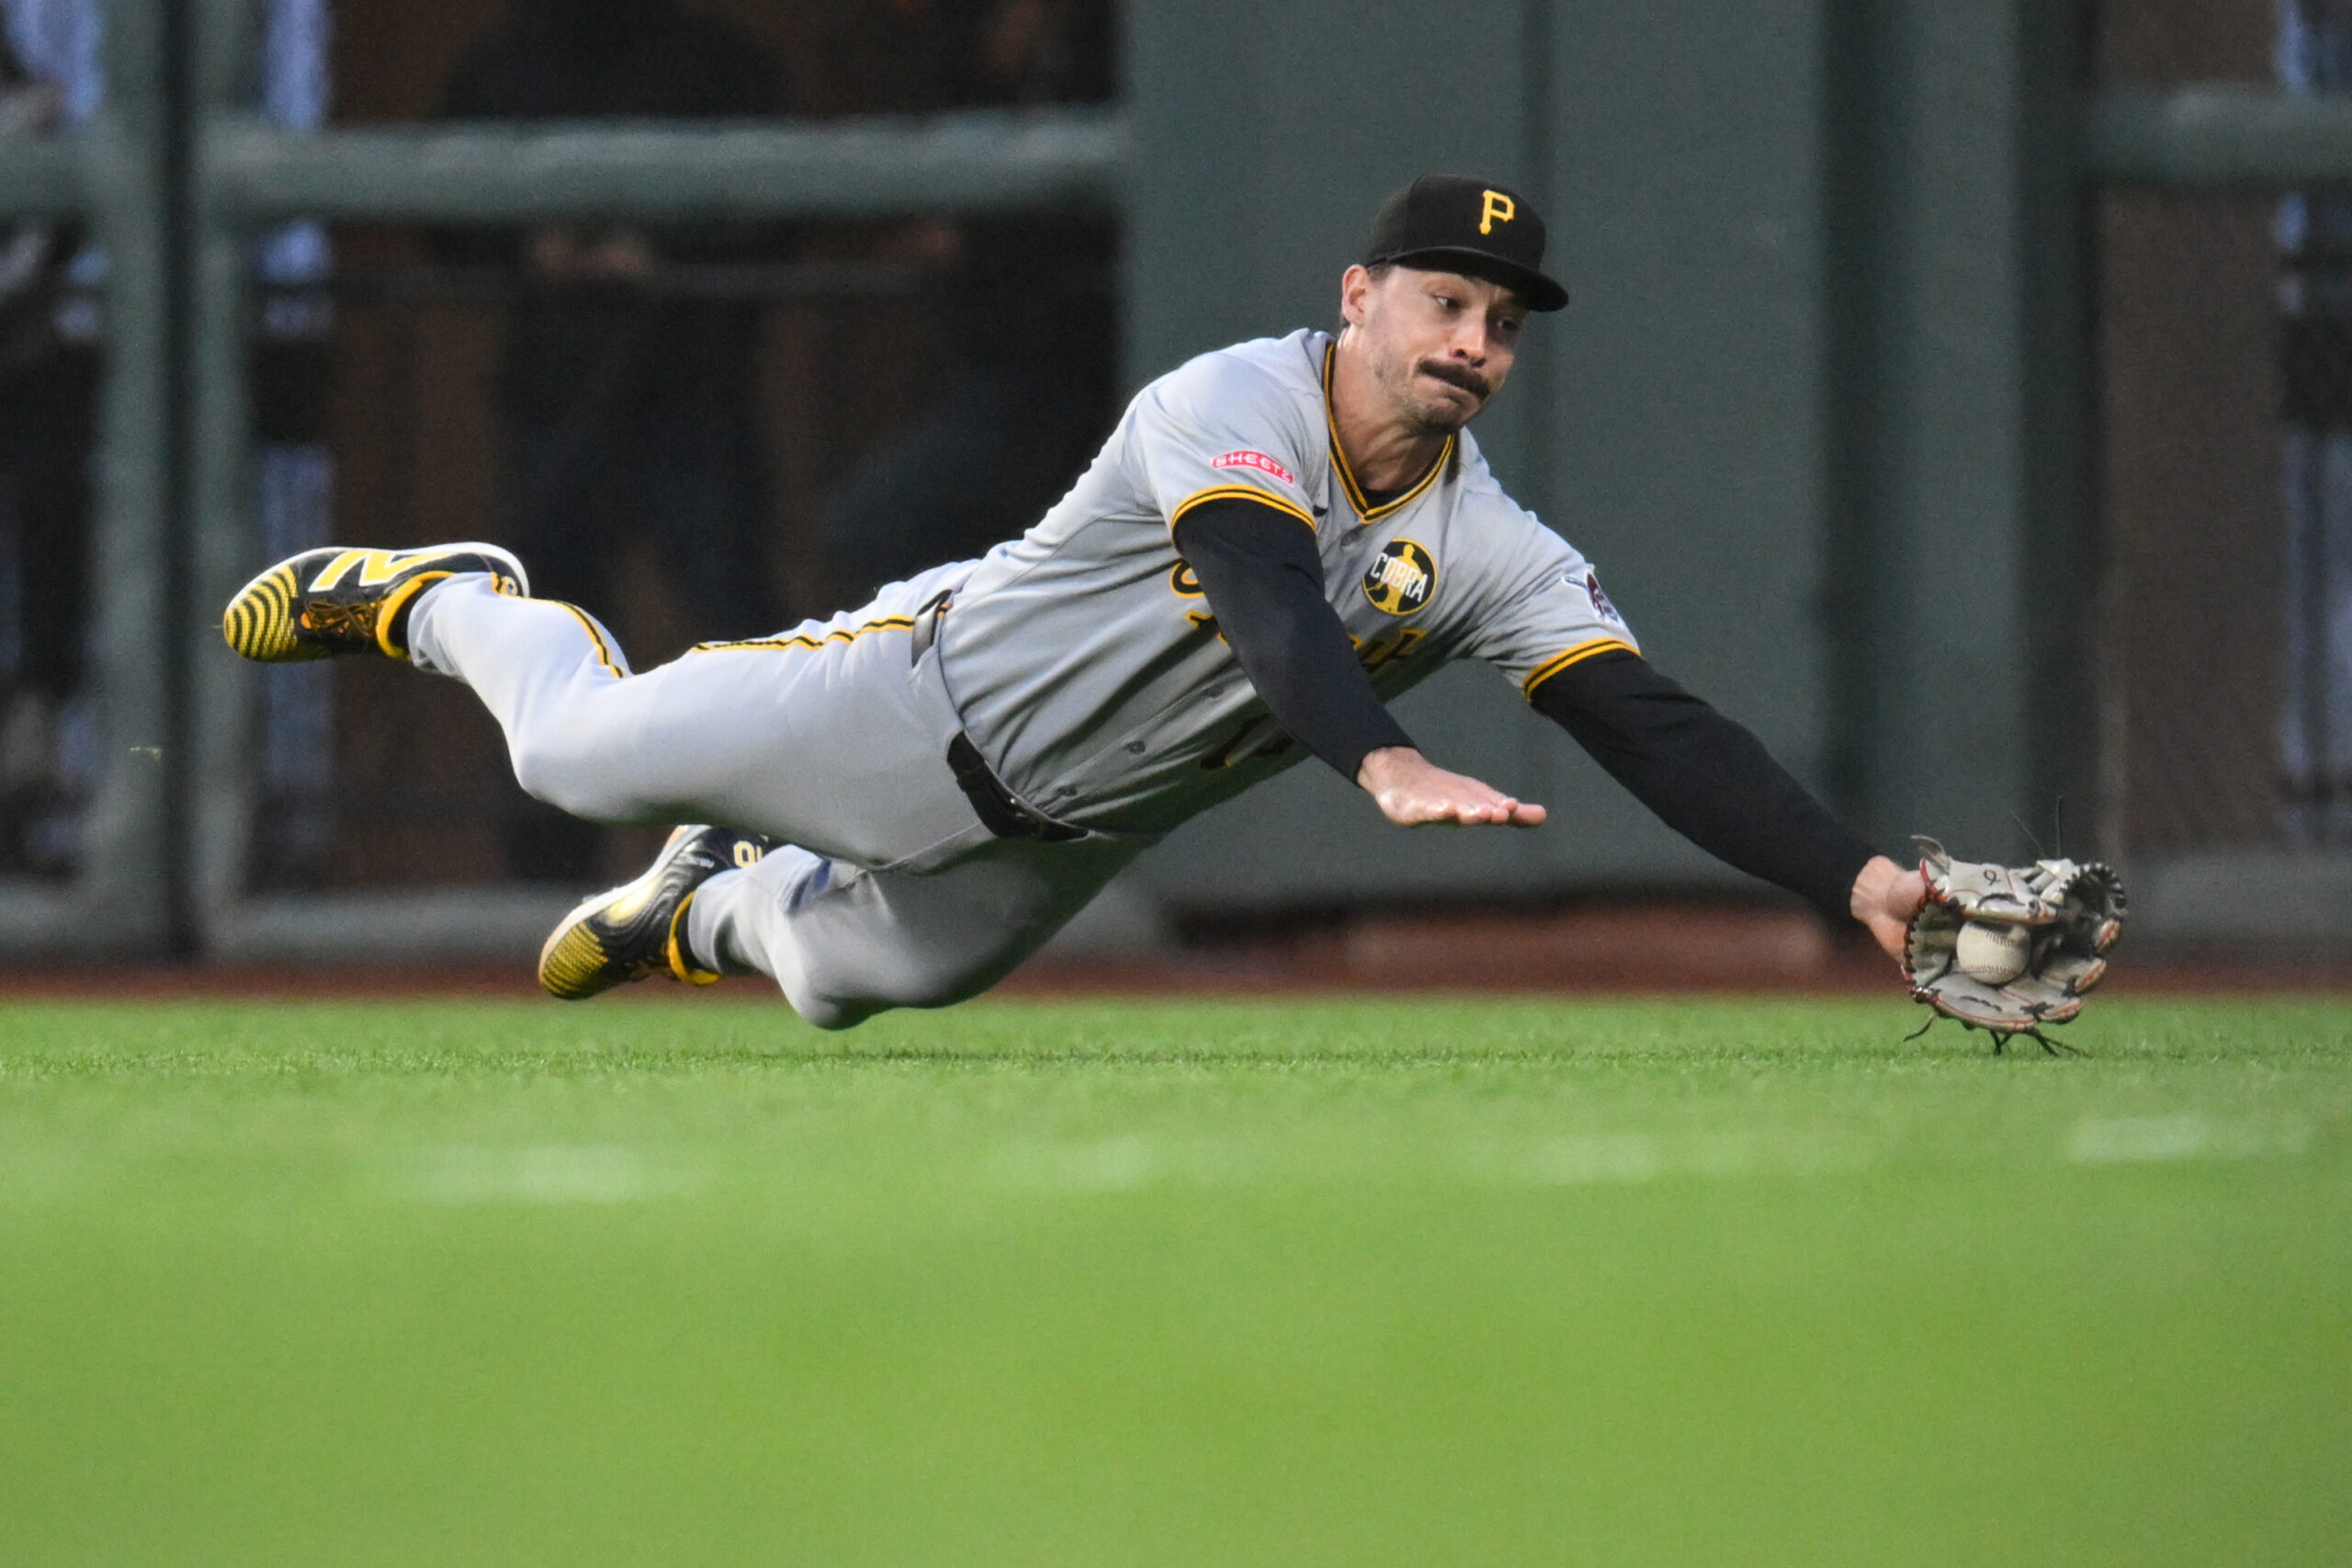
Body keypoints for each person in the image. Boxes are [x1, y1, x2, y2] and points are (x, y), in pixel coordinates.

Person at [224, 175, 1928, 1028]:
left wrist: (1856, 875)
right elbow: (1266, 597)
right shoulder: (1235, 399)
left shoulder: (1491, 544)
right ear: (1360, 297)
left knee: (833, 985)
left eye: (1502, 319)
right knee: (571, 754)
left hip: (1068, 834)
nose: (1472, 341)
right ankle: (452, 599)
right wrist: (1384, 765)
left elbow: (1647, 719)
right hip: (912, 694)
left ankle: (696, 908)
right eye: (1443, 300)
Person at [435, 0, 786, 879]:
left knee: (742, 631)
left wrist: (662, 250)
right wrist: (534, 247)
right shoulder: (511, 58)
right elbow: (441, 208)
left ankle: (782, 861)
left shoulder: (713, 59)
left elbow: (783, 201)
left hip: (691, 392)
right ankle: (544, 886)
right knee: (546, 651)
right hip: (555, 397)